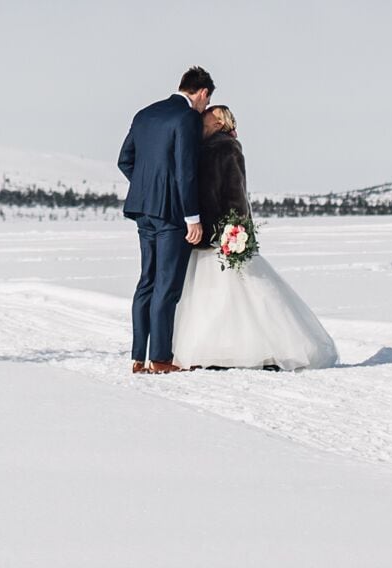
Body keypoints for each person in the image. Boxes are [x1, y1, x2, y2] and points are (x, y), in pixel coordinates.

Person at [169, 105, 337, 371]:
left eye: (205, 123)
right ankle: (217, 350)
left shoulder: (226, 148)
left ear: (219, 123)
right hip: (207, 233)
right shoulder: (204, 149)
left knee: (239, 292)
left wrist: (237, 227)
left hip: (223, 230)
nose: (201, 127)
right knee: (213, 296)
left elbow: (236, 191)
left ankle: (264, 349)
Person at [117, 68, 213, 372]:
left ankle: (137, 358)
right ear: (202, 93)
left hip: (142, 210)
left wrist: (147, 189)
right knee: (167, 286)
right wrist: (192, 218)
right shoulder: (186, 118)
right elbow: (186, 170)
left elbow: (125, 160)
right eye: (206, 100)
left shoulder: (144, 114)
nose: (205, 106)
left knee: (146, 281)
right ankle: (160, 359)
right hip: (171, 213)